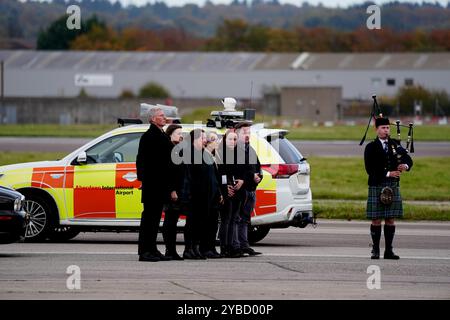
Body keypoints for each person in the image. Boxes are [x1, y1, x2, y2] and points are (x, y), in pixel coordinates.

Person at [364, 117, 413, 260]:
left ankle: (389, 251)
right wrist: (388, 173)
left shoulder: (394, 145)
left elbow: (407, 158)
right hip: (377, 184)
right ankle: (375, 250)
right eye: (383, 128)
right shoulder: (371, 147)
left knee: (390, 219)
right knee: (376, 220)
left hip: (392, 185)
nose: (386, 130)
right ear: (376, 129)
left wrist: (405, 166)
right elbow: (370, 169)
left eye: (387, 128)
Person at [136, 107, 174, 262]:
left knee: (155, 220)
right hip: (153, 186)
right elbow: (142, 161)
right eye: (161, 116)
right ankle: (145, 252)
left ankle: (153, 249)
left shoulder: (161, 135)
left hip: (160, 186)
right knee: (149, 220)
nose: (164, 118)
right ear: (152, 119)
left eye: (164, 115)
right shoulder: (149, 136)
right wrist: (145, 181)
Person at [186, 129, 223, 259]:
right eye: (202, 138)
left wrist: (217, 193)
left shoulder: (203, 154)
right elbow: (190, 177)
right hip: (195, 195)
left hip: (206, 195)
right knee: (192, 224)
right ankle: (190, 249)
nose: (205, 140)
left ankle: (197, 249)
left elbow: (212, 177)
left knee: (200, 224)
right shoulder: (190, 155)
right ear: (194, 140)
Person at [234, 122, 263, 256]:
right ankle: (236, 246)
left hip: (251, 189)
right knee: (237, 218)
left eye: (249, 132)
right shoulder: (234, 150)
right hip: (241, 190)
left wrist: (258, 177)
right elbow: (239, 170)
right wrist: (252, 176)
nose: (247, 135)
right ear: (237, 133)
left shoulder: (250, 149)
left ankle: (245, 245)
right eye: (244, 132)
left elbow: (257, 166)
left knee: (246, 219)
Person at [216, 130, 243, 258]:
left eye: (235, 139)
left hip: (237, 190)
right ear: (224, 140)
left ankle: (232, 246)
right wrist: (225, 187)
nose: (233, 141)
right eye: (230, 139)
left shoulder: (239, 154)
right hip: (226, 190)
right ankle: (224, 247)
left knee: (233, 219)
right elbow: (220, 172)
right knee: (225, 220)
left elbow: (244, 170)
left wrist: (242, 180)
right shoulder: (220, 154)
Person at [163, 124, 185, 260]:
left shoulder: (177, 149)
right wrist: (172, 190)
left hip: (179, 189)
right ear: (170, 135)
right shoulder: (168, 149)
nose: (181, 136)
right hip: (172, 190)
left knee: (174, 221)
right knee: (170, 222)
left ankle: (172, 250)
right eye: (178, 133)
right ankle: (169, 250)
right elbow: (168, 173)